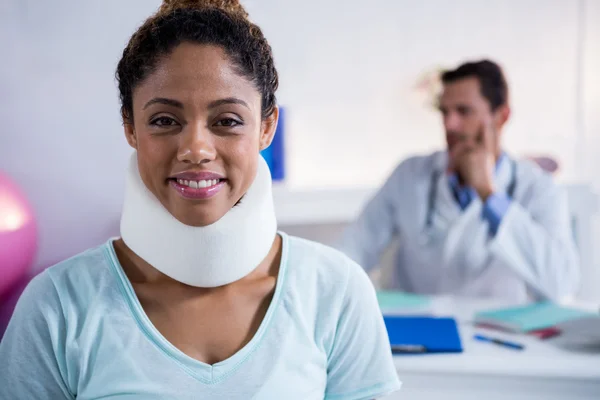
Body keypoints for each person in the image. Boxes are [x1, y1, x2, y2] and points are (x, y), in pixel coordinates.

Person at [0, 1, 401, 399]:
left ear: (266, 127)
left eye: (226, 120)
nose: (196, 148)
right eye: (164, 120)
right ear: (130, 128)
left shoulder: (336, 292)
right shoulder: (56, 306)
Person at [337, 60, 580, 302]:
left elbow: (560, 281)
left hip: (494, 333)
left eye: (464, 111)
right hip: (415, 329)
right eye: (444, 112)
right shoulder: (410, 174)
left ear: (501, 116)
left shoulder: (538, 188)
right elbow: (355, 246)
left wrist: (489, 196)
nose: (449, 124)